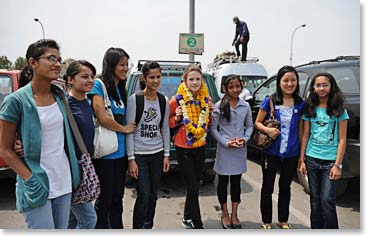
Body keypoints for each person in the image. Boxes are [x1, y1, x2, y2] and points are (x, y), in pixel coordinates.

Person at [0, 39, 81, 229]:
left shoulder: (60, 97)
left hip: (63, 181)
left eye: (59, 59)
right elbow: (5, 150)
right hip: (36, 184)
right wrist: (29, 178)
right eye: (51, 58)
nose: (57, 64)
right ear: (33, 62)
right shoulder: (16, 101)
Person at [88, 47, 136, 229]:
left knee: (118, 199)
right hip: (106, 154)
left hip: (120, 154)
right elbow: (102, 117)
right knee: (105, 200)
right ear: (111, 65)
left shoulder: (120, 89)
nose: (126, 68)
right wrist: (123, 129)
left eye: (127, 65)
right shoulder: (99, 85)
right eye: (122, 65)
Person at [254, 65, 304, 229]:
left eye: (293, 80)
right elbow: (258, 123)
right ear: (279, 82)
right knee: (267, 187)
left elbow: (302, 129)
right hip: (271, 152)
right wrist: (268, 129)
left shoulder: (300, 103)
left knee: (285, 187)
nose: (290, 84)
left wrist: (301, 157)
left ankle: (283, 220)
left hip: (291, 154)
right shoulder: (270, 101)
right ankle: (266, 221)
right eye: (286, 80)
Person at [298, 73, 348, 229]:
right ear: (313, 88)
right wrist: (302, 160)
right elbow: (305, 135)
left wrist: (337, 165)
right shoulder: (310, 108)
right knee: (315, 199)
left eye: (325, 85)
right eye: (318, 85)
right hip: (312, 160)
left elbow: (342, 140)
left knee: (327, 200)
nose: (321, 88)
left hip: (330, 162)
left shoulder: (339, 110)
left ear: (331, 86)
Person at [126, 61, 170, 229]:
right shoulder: (135, 100)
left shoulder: (163, 100)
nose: (155, 80)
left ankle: (148, 226)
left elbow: (165, 129)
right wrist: (131, 159)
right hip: (140, 155)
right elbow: (130, 130)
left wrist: (166, 155)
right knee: (143, 194)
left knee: (153, 194)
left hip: (157, 154)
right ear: (144, 79)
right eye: (151, 77)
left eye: (158, 77)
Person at [169, 65, 212, 229]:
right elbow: (166, 123)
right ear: (185, 81)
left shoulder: (206, 100)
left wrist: (212, 113)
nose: (195, 82)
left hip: (200, 146)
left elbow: (208, 123)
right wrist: (177, 117)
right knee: (192, 187)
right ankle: (198, 223)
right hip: (183, 147)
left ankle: (187, 217)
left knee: (195, 185)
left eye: (197, 79)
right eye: (191, 79)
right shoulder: (176, 100)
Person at [209, 75, 253, 229]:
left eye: (238, 86)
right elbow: (213, 128)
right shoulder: (219, 106)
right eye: (231, 87)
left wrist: (244, 139)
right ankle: (225, 213)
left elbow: (250, 126)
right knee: (222, 183)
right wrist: (226, 143)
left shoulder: (245, 106)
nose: (235, 90)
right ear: (225, 89)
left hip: (239, 150)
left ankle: (235, 214)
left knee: (236, 184)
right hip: (225, 150)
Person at [64, 60, 98, 229]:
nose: (90, 80)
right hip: (70, 169)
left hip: (83, 167)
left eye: (92, 76)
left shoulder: (87, 102)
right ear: (70, 79)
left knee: (71, 221)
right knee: (88, 220)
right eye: (84, 76)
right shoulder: (64, 104)